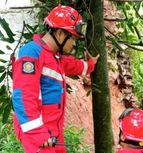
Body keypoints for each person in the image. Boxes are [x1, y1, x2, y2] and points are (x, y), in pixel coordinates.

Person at [12, 5, 99, 153]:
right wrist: (37, 133)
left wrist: (90, 65)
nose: (73, 44)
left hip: (53, 132)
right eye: (72, 39)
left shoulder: (53, 57)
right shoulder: (31, 53)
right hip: (40, 134)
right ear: (60, 33)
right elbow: (23, 96)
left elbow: (71, 65)